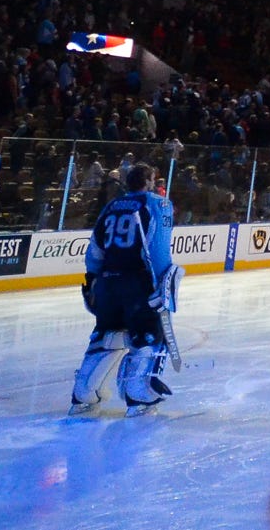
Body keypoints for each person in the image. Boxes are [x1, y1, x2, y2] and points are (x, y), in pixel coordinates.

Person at [71, 162, 179, 415]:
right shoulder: (157, 203)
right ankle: (138, 394)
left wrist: (93, 280)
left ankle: (84, 393)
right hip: (139, 282)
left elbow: (95, 248)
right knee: (148, 335)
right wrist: (162, 284)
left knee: (105, 335)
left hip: (107, 282)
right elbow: (159, 248)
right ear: (149, 182)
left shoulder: (111, 206)